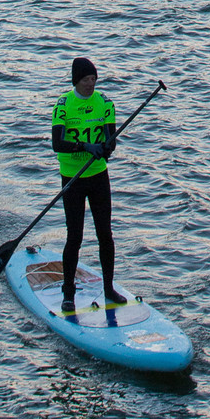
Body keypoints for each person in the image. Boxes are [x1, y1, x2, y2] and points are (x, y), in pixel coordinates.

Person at [51, 56, 126, 316]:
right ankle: (68, 294)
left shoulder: (105, 103)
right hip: (72, 177)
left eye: (94, 79)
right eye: (85, 80)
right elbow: (57, 144)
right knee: (76, 236)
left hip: (97, 176)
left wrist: (107, 147)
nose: (90, 85)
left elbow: (110, 138)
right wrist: (85, 146)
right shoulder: (63, 105)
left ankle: (108, 289)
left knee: (105, 234)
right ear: (76, 81)